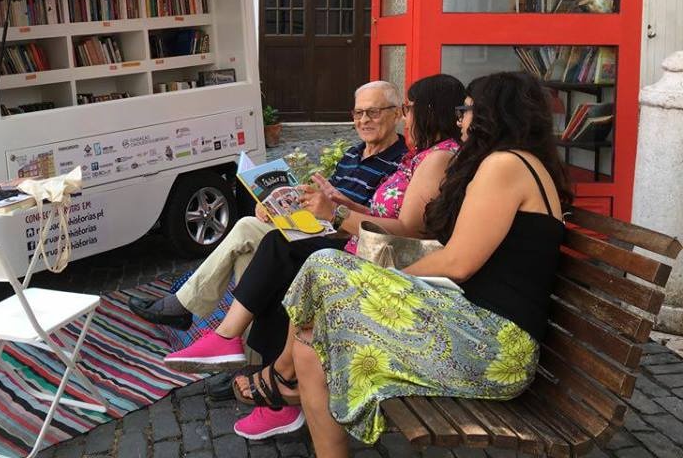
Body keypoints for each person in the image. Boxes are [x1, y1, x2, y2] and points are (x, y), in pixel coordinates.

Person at [236, 72, 569, 457]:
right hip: (474, 327)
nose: (460, 120)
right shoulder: (520, 163)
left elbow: (458, 262)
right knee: (311, 341)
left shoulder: (505, 165)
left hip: (492, 347)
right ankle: (290, 379)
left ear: (492, 114)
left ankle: (280, 374)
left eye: (466, 111)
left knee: (325, 264)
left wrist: (381, 278)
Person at [164, 74, 466, 440]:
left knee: (280, 254)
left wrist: (336, 214)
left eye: (406, 109)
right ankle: (260, 374)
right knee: (270, 248)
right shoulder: (406, 156)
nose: (405, 116)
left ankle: (251, 361)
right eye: (358, 113)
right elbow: (382, 213)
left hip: (374, 255)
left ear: (426, 111)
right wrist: (333, 201)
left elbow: (408, 229)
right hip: (351, 239)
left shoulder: (432, 157)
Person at [128, 80, 407, 330]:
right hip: (316, 228)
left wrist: (337, 209)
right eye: (358, 113)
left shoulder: (401, 163)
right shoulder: (352, 153)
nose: (364, 120)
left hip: (344, 241)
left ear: (397, 114)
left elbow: (375, 219)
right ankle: (243, 350)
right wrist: (276, 205)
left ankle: (188, 309)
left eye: (373, 112)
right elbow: (326, 197)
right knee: (250, 241)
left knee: (247, 229)